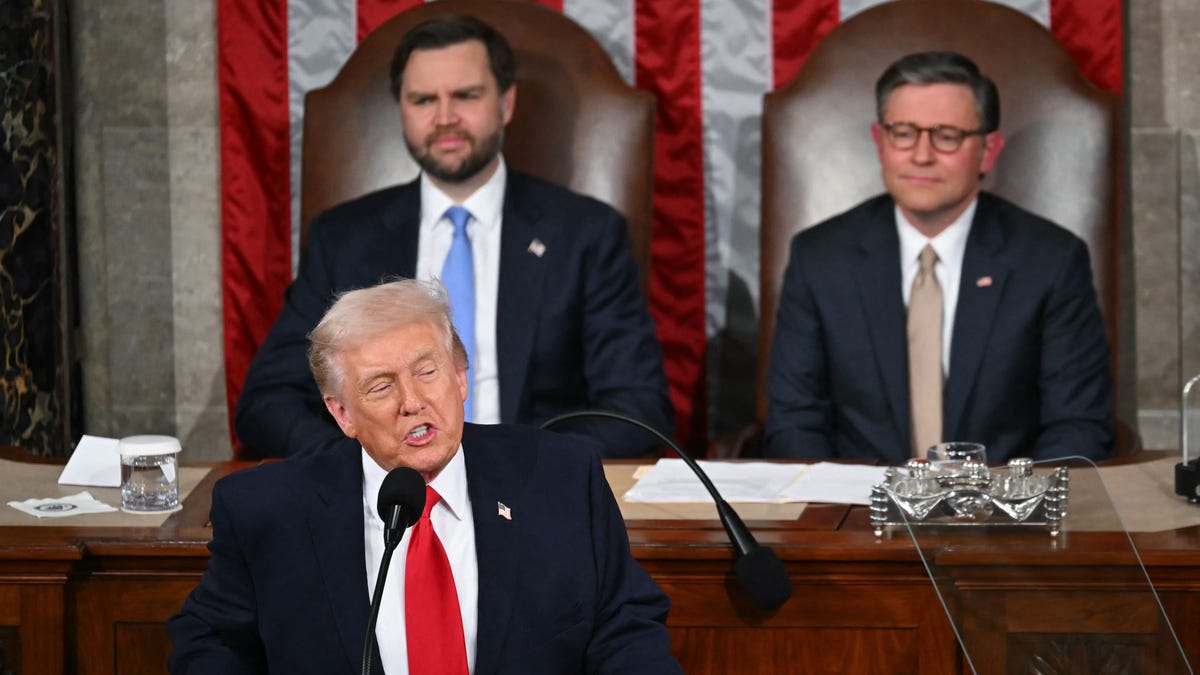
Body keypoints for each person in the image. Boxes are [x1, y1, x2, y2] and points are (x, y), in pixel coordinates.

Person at [168, 279, 682, 674]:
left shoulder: (561, 479)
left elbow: (625, 630)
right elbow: (211, 645)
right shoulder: (267, 511)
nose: (413, 402)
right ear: (342, 413)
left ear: (460, 377)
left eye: (427, 371)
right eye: (380, 386)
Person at [234, 14, 672, 459]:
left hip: (530, 491)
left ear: (505, 103)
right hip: (389, 495)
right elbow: (268, 401)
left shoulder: (586, 234)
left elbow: (637, 407)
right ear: (401, 110)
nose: (445, 118)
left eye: (465, 96)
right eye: (423, 100)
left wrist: (522, 463)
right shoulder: (344, 239)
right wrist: (361, 465)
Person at [763, 51, 1114, 464]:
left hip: (1001, 517)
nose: (922, 155)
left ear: (988, 149)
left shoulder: (1050, 261)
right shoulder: (820, 258)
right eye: (904, 133)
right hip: (857, 514)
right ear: (879, 142)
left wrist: (1009, 511)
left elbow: (1078, 425)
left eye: (946, 135)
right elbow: (795, 423)